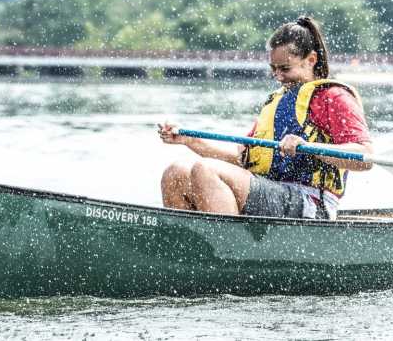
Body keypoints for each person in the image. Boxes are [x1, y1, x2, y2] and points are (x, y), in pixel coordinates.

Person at [158, 16, 373, 220]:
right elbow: (243, 159)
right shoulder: (277, 102)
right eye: (274, 69)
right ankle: (195, 249)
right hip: (270, 191)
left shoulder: (334, 97)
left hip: (312, 203)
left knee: (205, 169)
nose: (278, 76)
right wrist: (188, 141)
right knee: (175, 173)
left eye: (285, 69)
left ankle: (227, 255)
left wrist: (309, 146)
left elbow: (366, 157)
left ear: (311, 60)